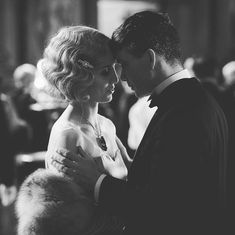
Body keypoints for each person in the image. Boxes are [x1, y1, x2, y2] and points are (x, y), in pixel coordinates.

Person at [51, 11, 228, 234]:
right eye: (108, 70)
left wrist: (97, 182)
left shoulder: (183, 114)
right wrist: (136, 169)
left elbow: (162, 209)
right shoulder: (195, 100)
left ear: (150, 59)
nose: (121, 77)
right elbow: (176, 183)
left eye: (123, 64)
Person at [15, 26, 132, 235]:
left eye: (115, 67)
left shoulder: (107, 125)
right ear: (81, 76)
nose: (115, 79)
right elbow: (64, 223)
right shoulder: (68, 134)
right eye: (105, 71)